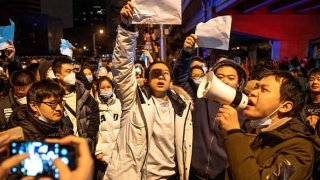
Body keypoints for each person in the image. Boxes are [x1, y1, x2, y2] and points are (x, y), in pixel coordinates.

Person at [105, 2, 193, 179]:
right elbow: (122, 66)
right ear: (146, 79)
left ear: (170, 80)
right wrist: (126, 29)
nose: (161, 77)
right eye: (156, 73)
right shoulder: (133, 100)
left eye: (165, 74)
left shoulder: (182, 107)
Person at [216, 70, 320, 179]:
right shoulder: (253, 128)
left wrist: (234, 132)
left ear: (285, 107)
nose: (253, 92)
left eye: (264, 90)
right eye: (256, 87)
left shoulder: (300, 148)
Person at [173, 34, 247, 179]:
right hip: (195, 174)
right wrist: (187, 52)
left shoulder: (245, 109)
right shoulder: (200, 97)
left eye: (231, 78)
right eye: (219, 77)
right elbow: (180, 76)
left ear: (239, 83)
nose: (225, 81)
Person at [52, 56, 99, 152]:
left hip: (84, 148)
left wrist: (89, 137)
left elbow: (94, 114)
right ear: (58, 75)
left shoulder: (82, 92)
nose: (72, 74)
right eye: (68, 71)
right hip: (63, 149)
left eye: (73, 71)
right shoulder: (50, 96)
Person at [8, 79, 73, 141]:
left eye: (60, 102)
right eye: (52, 103)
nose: (59, 108)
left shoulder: (63, 125)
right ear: (34, 106)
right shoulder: (22, 134)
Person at [94, 76, 122, 179]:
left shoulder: (120, 104)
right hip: (103, 157)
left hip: (121, 155)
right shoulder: (95, 107)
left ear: (113, 88)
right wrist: (98, 151)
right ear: (98, 90)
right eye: (103, 87)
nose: (106, 90)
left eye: (108, 87)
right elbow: (95, 132)